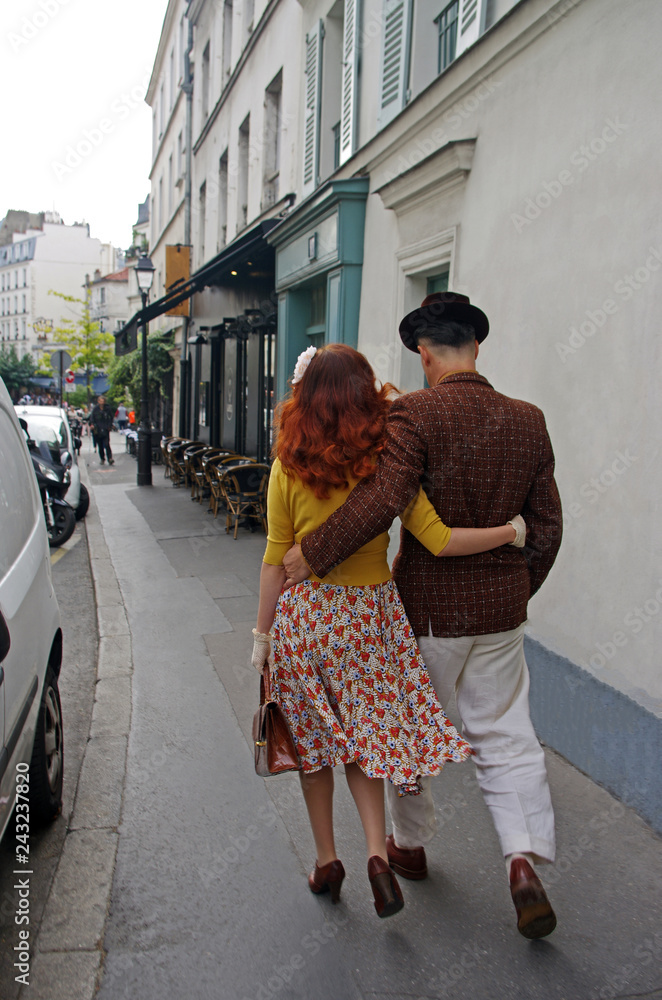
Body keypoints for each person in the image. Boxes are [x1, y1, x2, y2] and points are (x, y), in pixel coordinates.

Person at [283, 292, 563, 940]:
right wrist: (518, 587)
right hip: (500, 616)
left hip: (430, 615)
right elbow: (547, 525)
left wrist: (313, 554)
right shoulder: (529, 419)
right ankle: (521, 862)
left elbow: (385, 498)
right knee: (507, 736)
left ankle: (408, 846)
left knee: (404, 732)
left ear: (425, 352)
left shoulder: (415, 412)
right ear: (476, 347)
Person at [90, 396, 114, 465]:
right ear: (98, 401)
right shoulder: (95, 409)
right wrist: (92, 424)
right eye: (100, 401)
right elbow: (92, 418)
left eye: (103, 401)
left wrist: (109, 425)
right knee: (100, 445)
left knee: (107, 444)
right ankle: (102, 458)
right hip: (98, 429)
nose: (102, 402)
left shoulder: (107, 409)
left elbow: (111, 417)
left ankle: (110, 458)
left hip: (106, 428)